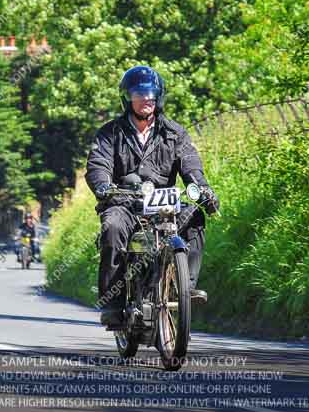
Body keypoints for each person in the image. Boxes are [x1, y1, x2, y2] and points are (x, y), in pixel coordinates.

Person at [85, 65, 219, 327]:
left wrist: (202, 188)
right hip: (124, 203)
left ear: (159, 96)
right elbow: (97, 165)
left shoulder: (175, 132)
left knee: (194, 216)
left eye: (151, 93)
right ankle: (113, 302)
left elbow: (190, 164)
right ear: (127, 97)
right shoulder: (110, 133)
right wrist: (103, 186)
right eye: (139, 93)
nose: (146, 98)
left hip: (163, 205)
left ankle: (186, 288)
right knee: (112, 228)